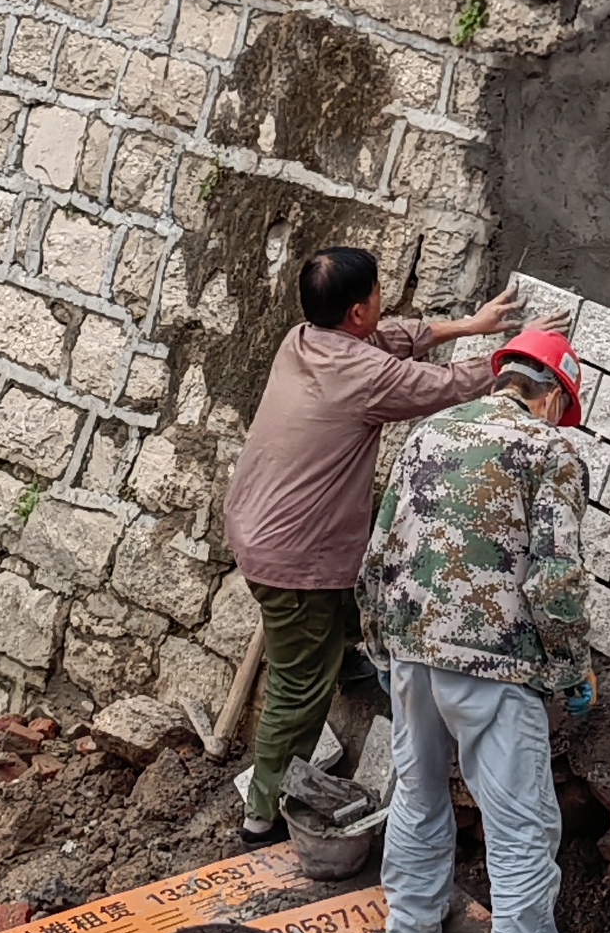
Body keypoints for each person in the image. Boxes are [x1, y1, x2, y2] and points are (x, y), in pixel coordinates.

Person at [222, 249, 533, 847]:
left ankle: (350, 656)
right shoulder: (366, 377)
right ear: (358, 309)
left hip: (261, 522)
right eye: (378, 294)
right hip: (295, 552)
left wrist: (471, 325)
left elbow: (386, 341)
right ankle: (262, 812)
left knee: (329, 613)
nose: (383, 302)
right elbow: (439, 385)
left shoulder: (301, 341)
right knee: (296, 683)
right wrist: (520, 356)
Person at [363, 330, 591, 933]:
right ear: (552, 398)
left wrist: (381, 645)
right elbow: (556, 575)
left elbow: (380, 549)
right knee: (520, 822)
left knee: (417, 792)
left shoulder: (427, 434)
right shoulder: (552, 451)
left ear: (504, 377)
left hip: (412, 647)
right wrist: (571, 668)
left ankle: (410, 926)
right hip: (495, 662)